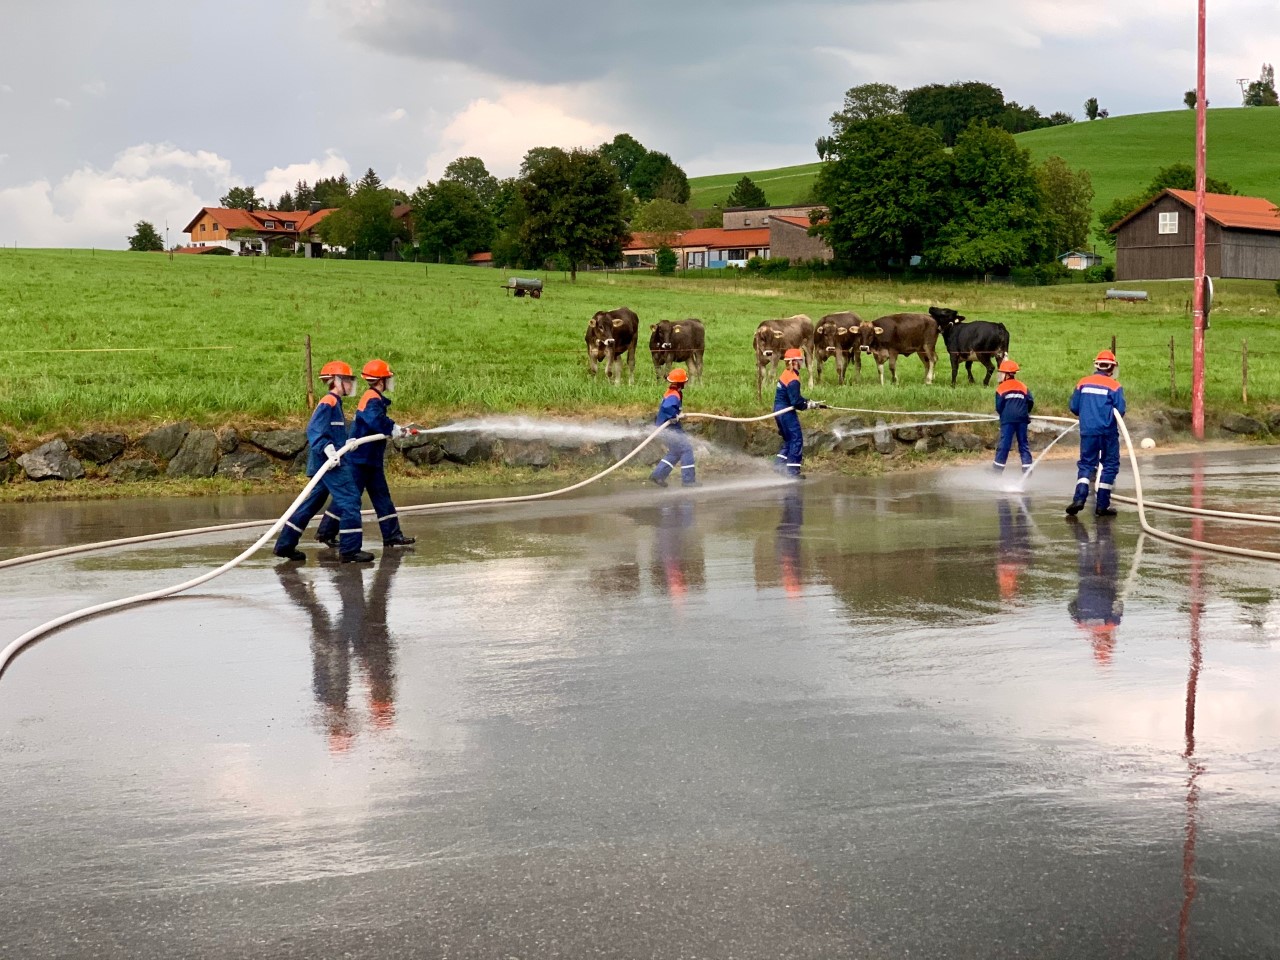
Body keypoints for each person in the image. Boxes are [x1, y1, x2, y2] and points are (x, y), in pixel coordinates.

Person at [273, 361, 371, 564]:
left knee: (310, 505)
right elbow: (315, 430)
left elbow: (331, 431)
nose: (352, 385)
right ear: (336, 381)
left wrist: (345, 443)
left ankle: (285, 546)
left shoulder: (336, 403)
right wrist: (327, 449)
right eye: (348, 380)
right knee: (351, 500)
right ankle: (350, 550)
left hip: (324, 464)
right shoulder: (329, 401)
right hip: (330, 465)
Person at [317, 359, 417, 549]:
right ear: (380, 381)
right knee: (348, 497)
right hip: (359, 459)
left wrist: (396, 428)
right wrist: (392, 428)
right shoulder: (371, 397)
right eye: (387, 378)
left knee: (382, 497)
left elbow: (379, 420)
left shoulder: (374, 397)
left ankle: (392, 535)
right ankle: (326, 532)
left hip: (371, 459)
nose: (389, 382)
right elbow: (375, 420)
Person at [1066, 350, 1126, 517]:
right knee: (1110, 465)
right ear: (1112, 368)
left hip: (1088, 431)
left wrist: (1088, 415)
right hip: (1108, 432)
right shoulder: (1115, 386)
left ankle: (1079, 498)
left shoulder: (1083, 383)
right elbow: (1120, 410)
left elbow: (1074, 407)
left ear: (1097, 365)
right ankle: (1102, 506)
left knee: (1086, 464)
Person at [773, 347, 827, 478]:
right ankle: (792, 473)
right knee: (796, 439)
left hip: (778, 410)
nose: (802, 362)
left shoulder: (786, 374)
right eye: (801, 360)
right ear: (795, 362)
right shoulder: (793, 379)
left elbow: (795, 398)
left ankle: (778, 466)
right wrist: (807, 405)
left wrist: (808, 401)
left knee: (789, 440)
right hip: (786, 413)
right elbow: (795, 402)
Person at [649, 367, 697, 488]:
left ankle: (658, 475)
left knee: (676, 452)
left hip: (667, 427)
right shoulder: (674, 395)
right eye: (684, 381)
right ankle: (688, 481)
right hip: (669, 428)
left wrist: (677, 416)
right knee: (686, 449)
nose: (685, 382)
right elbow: (667, 407)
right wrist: (673, 416)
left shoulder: (674, 392)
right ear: (681, 382)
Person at [993, 358, 1034, 475]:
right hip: (1022, 419)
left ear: (1006, 375)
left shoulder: (1001, 388)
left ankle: (997, 471)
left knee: (1004, 445)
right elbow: (1030, 401)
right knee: (1023, 444)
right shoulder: (1023, 386)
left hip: (1008, 420)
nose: (999, 375)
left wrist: (1003, 415)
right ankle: (1027, 470)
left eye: (1001, 373)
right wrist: (1026, 412)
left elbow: (999, 405)